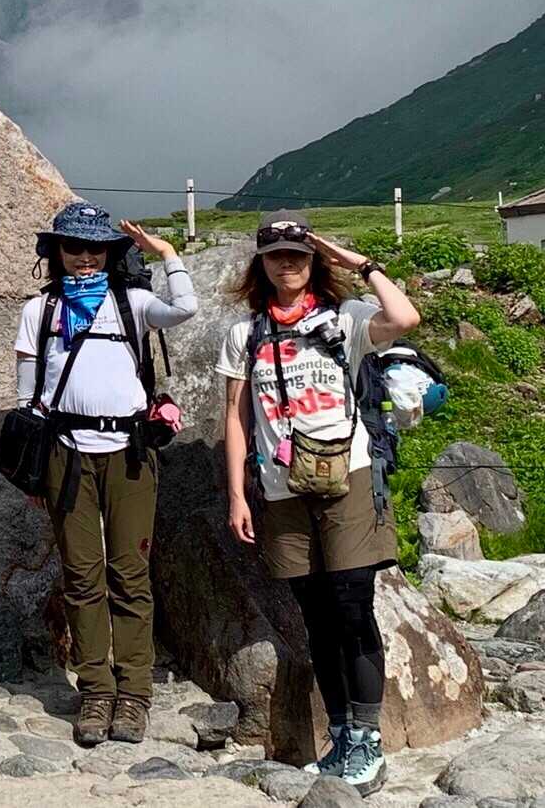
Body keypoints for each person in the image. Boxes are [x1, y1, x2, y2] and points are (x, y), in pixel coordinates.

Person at [217, 210, 420, 796]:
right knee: (316, 617)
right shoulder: (244, 334)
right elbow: (236, 419)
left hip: (348, 480)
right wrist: (238, 495)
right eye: (276, 255)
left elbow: (405, 317)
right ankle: (340, 737)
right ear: (261, 263)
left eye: (298, 255)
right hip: (282, 489)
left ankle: (368, 742)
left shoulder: (347, 317)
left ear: (314, 261)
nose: (287, 264)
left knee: (352, 606)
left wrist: (361, 263)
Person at [14, 202, 197, 747]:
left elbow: (185, 308)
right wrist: (34, 475)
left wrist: (166, 253)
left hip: (129, 452)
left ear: (111, 253)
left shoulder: (133, 302)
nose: (85, 257)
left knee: (130, 573)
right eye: (74, 247)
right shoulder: (39, 311)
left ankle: (134, 693)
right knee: (81, 575)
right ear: (57, 252)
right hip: (65, 452)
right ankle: (95, 689)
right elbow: (27, 397)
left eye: (96, 247)